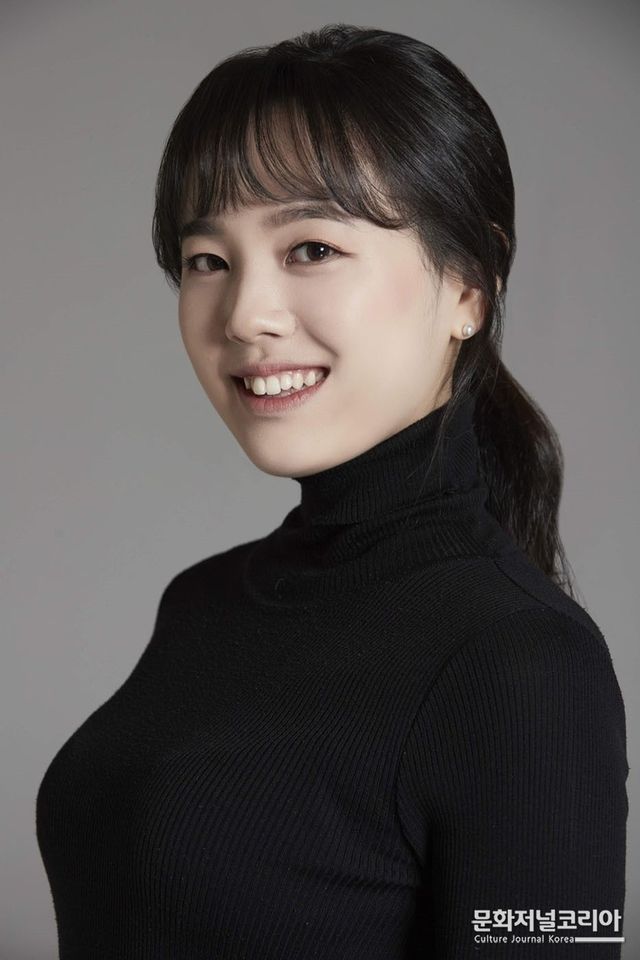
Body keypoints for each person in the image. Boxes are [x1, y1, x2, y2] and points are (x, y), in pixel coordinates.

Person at [35, 23, 629, 959]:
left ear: (469, 285)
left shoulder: (520, 662)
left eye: (311, 248)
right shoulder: (202, 602)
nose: (245, 315)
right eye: (207, 260)